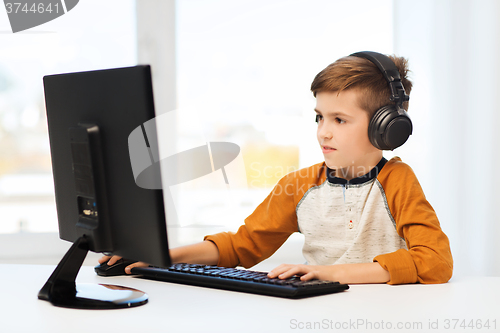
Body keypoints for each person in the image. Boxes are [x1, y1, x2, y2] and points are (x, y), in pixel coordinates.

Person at [99, 52, 453, 285]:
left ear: (386, 127)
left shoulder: (397, 181)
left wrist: (331, 274)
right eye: (320, 117)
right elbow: (242, 246)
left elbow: (435, 262)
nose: (323, 131)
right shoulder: (300, 185)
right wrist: (161, 256)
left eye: (340, 120)